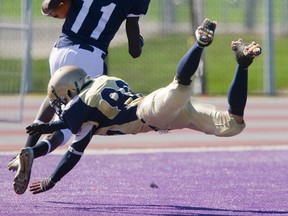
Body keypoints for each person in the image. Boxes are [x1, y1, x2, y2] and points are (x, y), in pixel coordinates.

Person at [13, 18, 262, 195]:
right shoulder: (102, 79)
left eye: (62, 98)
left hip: (149, 112)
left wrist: (51, 179)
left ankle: (199, 44)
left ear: (70, 89)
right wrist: (37, 150)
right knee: (232, 125)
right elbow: (72, 141)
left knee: (180, 88)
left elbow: (70, 143)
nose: (61, 104)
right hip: (169, 117)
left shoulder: (83, 103)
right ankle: (243, 64)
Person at [8, 0, 151, 172]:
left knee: (53, 98)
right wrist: (140, 42)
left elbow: (49, 7)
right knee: (69, 124)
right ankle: (32, 152)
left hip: (61, 50)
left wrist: (53, 9)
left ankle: (23, 151)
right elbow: (134, 51)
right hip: (90, 59)